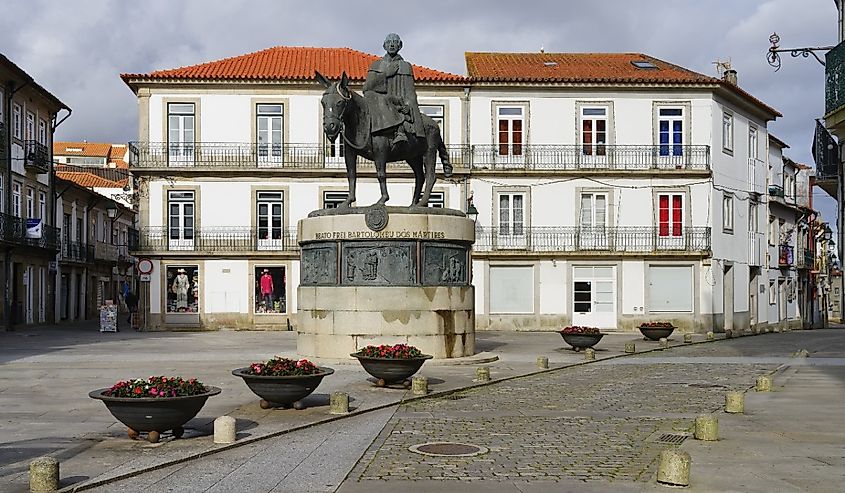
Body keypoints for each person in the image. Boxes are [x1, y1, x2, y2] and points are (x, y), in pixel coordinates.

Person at [363, 33, 425, 147]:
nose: (391, 44)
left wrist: (409, 106)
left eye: (394, 42)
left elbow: (410, 93)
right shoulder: (376, 65)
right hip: (381, 105)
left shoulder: (406, 66)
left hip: (400, 104)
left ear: (400, 45)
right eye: (389, 42)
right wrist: (386, 74)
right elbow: (367, 88)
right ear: (384, 46)